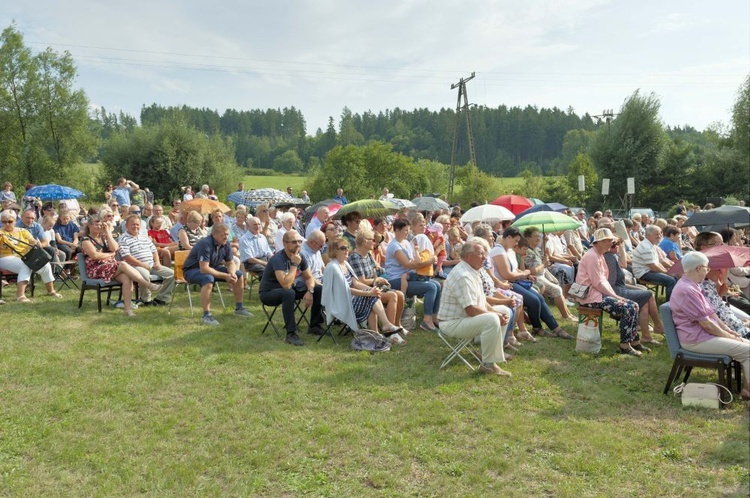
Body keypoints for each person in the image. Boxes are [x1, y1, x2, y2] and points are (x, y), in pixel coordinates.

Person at [670, 251, 750, 399]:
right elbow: (706, 324)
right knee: (748, 351)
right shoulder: (687, 290)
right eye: (706, 268)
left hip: (704, 335)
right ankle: (748, 391)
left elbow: (711, 313)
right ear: (699, 268)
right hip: (696, 340)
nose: (708, 271)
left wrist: (728, 331)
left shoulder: (693, 285)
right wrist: (728, 336)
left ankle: (747, 390)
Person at [438, 238, 511, 376]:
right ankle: (488, 365)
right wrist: (495, 315)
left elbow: (481, 301)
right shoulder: (463, 276)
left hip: (463, 318)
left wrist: (496, 312)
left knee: (504, 311)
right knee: (492, 319)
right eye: (481, 254)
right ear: (468, 256)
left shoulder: (472, 270)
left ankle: (488, 355)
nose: (484, 257)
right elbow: (471, 310)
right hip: (451, 323)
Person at [490, 227, 573, 339]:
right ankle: (538, 328)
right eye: (515, 240)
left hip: (513, 281)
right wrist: (526, 272)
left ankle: (555, 328)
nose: (517, 243)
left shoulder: (508, 251)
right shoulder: (498, 251)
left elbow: (514, 270)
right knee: (534, 301)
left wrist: (527, 275)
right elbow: (507, 275)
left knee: (539, 298)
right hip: (504, 284)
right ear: (508, 237)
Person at [576, 228, 645, 356]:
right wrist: (615, 296)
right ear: (599, 242)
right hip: (591, 297)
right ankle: (625, 345)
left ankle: (633, 341)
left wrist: (614, 295)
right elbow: (598, 283)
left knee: (633, 305)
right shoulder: (592, 256)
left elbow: (603, 280)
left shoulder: (599, 255)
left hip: (597, 294)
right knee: (629, 308)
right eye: (608, 240)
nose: (611, 243)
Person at [324, 237, 405, 343]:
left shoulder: (345, 264)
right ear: (335, 251)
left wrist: (372, 290)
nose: (347, 250)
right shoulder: (332, 267)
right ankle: (385, 326)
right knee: (371, 298)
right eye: (343, 248)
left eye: (347, 247)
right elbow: (346, 290)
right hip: (341, 304)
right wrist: (368, 292)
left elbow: (356, 283)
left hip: (351, 299)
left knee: (373, 296)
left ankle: (377, 335)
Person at [80, 213, 161, 316]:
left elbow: (115, 248)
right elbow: (95, 256)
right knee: (122, 264)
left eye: (101, 225)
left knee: (127, 278)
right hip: (96, 270)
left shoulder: (104, 238)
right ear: (89, 226)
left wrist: (108, 233)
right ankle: (147, 284)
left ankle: (127, 310)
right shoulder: (86, 240)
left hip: (110, 268)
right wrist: (109, 254)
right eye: (96, 224)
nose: (99, 227)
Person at [258, 230, 325, 345]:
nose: (298, 244)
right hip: (268, 293)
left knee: (318, 289)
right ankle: (291, 333)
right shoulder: (278, 259)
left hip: (288, 290)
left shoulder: (300, 256)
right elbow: (286, 284)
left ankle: (314, 325)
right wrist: (294, 265)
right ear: (285, 243)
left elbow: (309, 277)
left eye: (299, 241)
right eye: (294, 242)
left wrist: (310, 291)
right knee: (289, 292)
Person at [182, 223, 253, 326]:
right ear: (214, 234)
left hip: (212, 267)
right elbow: (204, 268)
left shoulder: (226, 243)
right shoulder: (205, 244)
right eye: (223, 235)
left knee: (238, 274)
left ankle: (239, 308)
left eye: (227, 234)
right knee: (208, 278)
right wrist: (225, 276)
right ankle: (206, 315)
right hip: (192, 270)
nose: (226, 237)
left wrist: (232, 273)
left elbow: (230, 262)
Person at [604, 236, 665, 344]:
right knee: (649, 294)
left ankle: (646, 335)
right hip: (615, 291)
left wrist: (621, 248)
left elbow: (623, 264)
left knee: (645, 301)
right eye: (616, 244)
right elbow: (611, 283)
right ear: (610, 246)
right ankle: (658, 325)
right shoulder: (609, 258)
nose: (618, 246)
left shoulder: (612, 256)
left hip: (619, 287)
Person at [384, 218, 441, 332]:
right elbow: (408, 265)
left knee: (438, 285)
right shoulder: (394, 246)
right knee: (431, 287)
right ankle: (427, 320)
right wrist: (428, 262)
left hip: (408, 277)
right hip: (396, 280)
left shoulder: (405, 243)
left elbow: (414, 260)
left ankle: (434, 316)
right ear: (397, 230)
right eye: (405, 230)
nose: (407, 233)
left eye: (408, 230)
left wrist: (426, 259)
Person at [349, 229, 405, 331]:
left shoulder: (368, 255)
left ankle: (397, 325)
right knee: (392, 296)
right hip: (362, 293)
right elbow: (361, 281)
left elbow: (375, 272)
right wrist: (377, 280)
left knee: (400, 295)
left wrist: (377, 279)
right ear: (365, 242)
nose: (375, 242)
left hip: (373, 288)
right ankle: (390, 331)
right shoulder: (355, 257)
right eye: (373, 240)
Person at [0, 209, 61, 302]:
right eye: (4, 222)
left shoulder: (22, 231)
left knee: (45, 265)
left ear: (15, 221)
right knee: (25, 265)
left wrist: (36, 243)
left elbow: (33, 241)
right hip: (5, 258)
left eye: (10, 221)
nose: (7, 224)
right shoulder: (1, 233)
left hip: (25, 256)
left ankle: (51, 291)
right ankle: (21, 296)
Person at [118, 215, 175, 306]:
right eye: (133, 224)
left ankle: (162, 298)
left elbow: (154, 250)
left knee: (171, 274)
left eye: (137, 224)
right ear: (127, 226)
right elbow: (126, 256)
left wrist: (157, 262)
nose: (135, 226)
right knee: (144, 275)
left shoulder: (144, 237)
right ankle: (146, 299)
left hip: (152, 264)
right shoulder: (123, 239)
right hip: (135, 266)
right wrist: (142, 264)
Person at [632, 225, 678, 300]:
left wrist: (668, 271)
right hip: (643, 274)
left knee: (674, 276)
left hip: (649, 271)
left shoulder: (651, 245)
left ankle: (675, 300)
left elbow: (657, 263)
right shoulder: (646, 247)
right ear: (648, 235)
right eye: (656, 234)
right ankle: (669, 303)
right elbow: (653, 266)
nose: (659, 236)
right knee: (671, 280)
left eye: (660, 233)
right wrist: (667, 272)